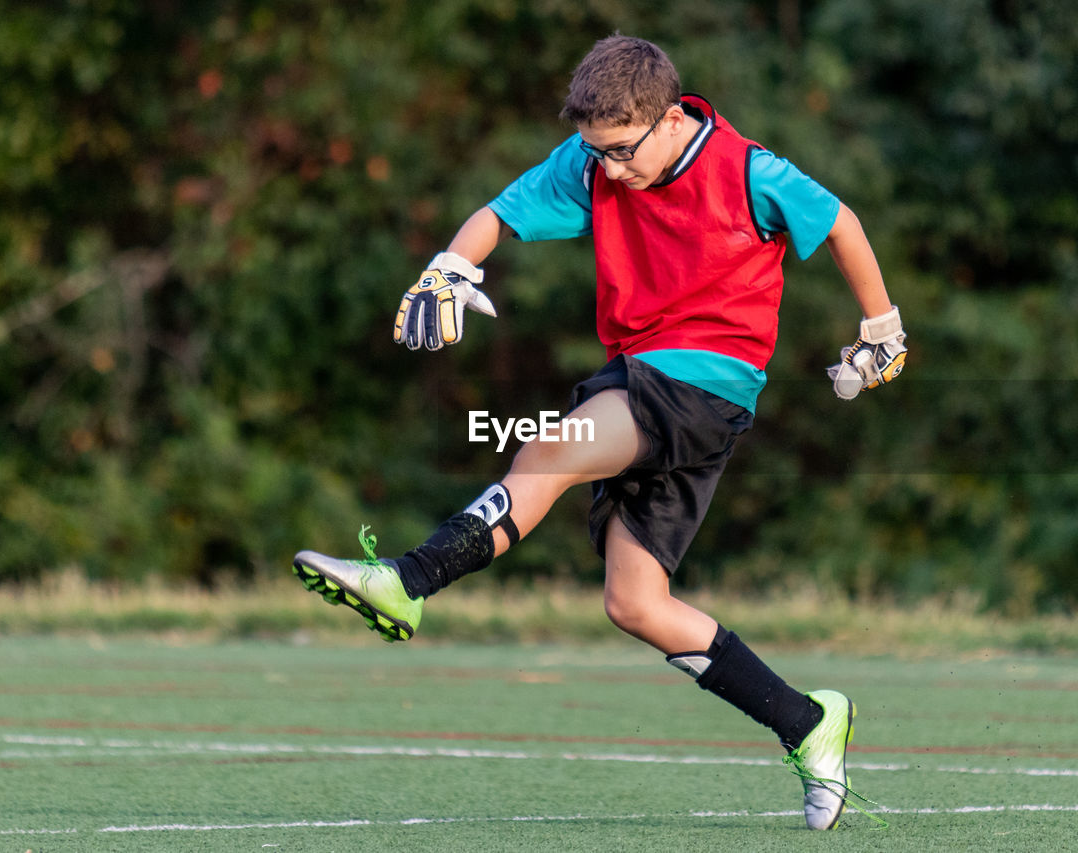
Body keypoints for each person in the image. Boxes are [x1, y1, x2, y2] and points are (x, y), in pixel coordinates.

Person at [293, 34, 905, 831]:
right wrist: (449, 266)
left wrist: (882, 326)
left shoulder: (748, 168)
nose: (608, 170)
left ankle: (406, 581)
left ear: (667, 118)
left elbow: (841, 222)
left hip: (704, 382)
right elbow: (498, 214)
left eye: (621, 151)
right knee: (635, 602)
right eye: (598, 152)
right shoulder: (591, 158)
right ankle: (808, 722)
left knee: (549, 450)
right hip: (651, 377)